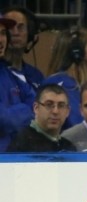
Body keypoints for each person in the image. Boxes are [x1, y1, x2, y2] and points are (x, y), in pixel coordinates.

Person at [0, 13, 35, 152]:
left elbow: (37, 108)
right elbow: (4, 119)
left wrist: (10, 114)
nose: (0, 40)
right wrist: (22, 109)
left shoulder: (14, 74)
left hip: (15, 161)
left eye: (3, 33)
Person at [7, 83, 75, 152]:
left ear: (67, 111)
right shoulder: (22, 144)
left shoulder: (68, 147)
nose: (55, 111)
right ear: (36, 108)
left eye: (61, 106)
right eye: (49, 104)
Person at [1, 6, 44, 88]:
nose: (15, 33)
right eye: (10, 28)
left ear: (30, 34)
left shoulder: (36, 76)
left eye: (20, 27)